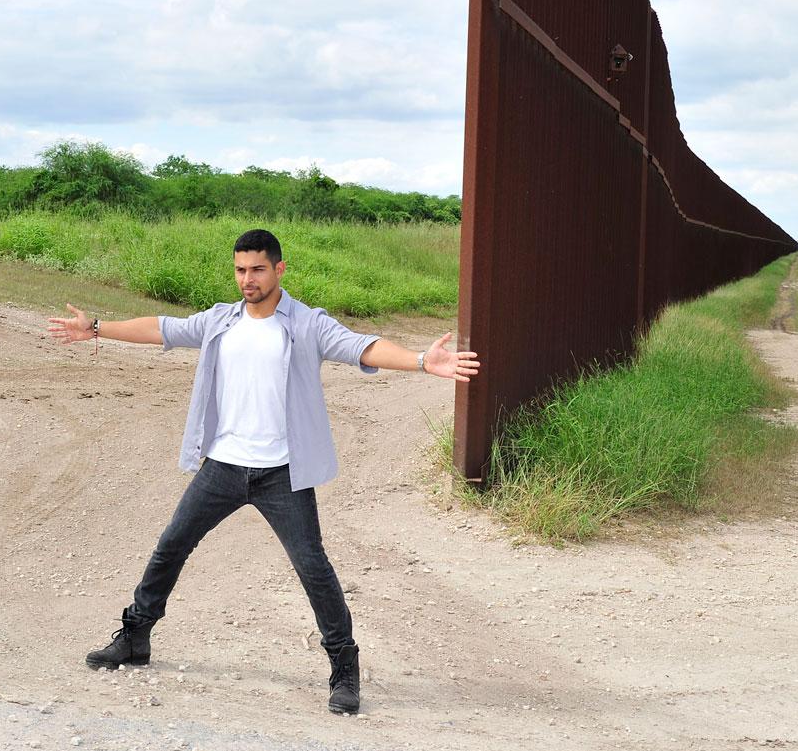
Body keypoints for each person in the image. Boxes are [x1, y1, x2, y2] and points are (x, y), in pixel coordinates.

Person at [46, 228, 480, 715]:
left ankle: (344, 668)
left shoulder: (307, 324)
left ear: (279, 269)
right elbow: (163, 328)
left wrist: (422, 361)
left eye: (256, 269)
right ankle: (135, 637)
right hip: (224, 465)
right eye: (239, 270)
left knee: (312, 567)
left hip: (282, 473)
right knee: (171, 545)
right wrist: (98, 327)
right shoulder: (221, 321)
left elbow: (363, 346)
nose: (247, 280)